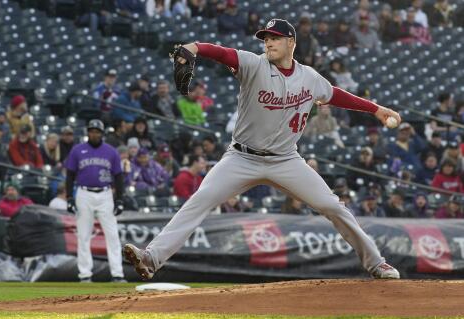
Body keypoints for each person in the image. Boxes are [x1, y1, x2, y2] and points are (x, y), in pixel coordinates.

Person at [123, 18, 402, 281]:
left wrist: (375, 109)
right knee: (202, 199)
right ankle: (151, 258)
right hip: (241, 157)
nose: (268, 43)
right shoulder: (253, 64)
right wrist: (194, 47)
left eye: (275, 38)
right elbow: (222, 53)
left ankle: (376, 263)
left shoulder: (309, 77)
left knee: (332, 206)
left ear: (291, 42)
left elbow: (335, 95)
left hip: (286, 160)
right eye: (266, 38)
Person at [65, 119, 126, 283]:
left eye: (97, 131)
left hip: (105, 195)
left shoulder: (111, 152)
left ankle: (117, 274)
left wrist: (119, 199)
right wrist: (69, 197)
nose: (94, 134)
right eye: (92, 131)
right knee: (83, 235)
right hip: (84, 193)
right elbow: (70, 175)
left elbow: (119, 176)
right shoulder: (78, 150)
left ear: (102, 133)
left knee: (112, 235)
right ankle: (84, 274)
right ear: (88, 132)